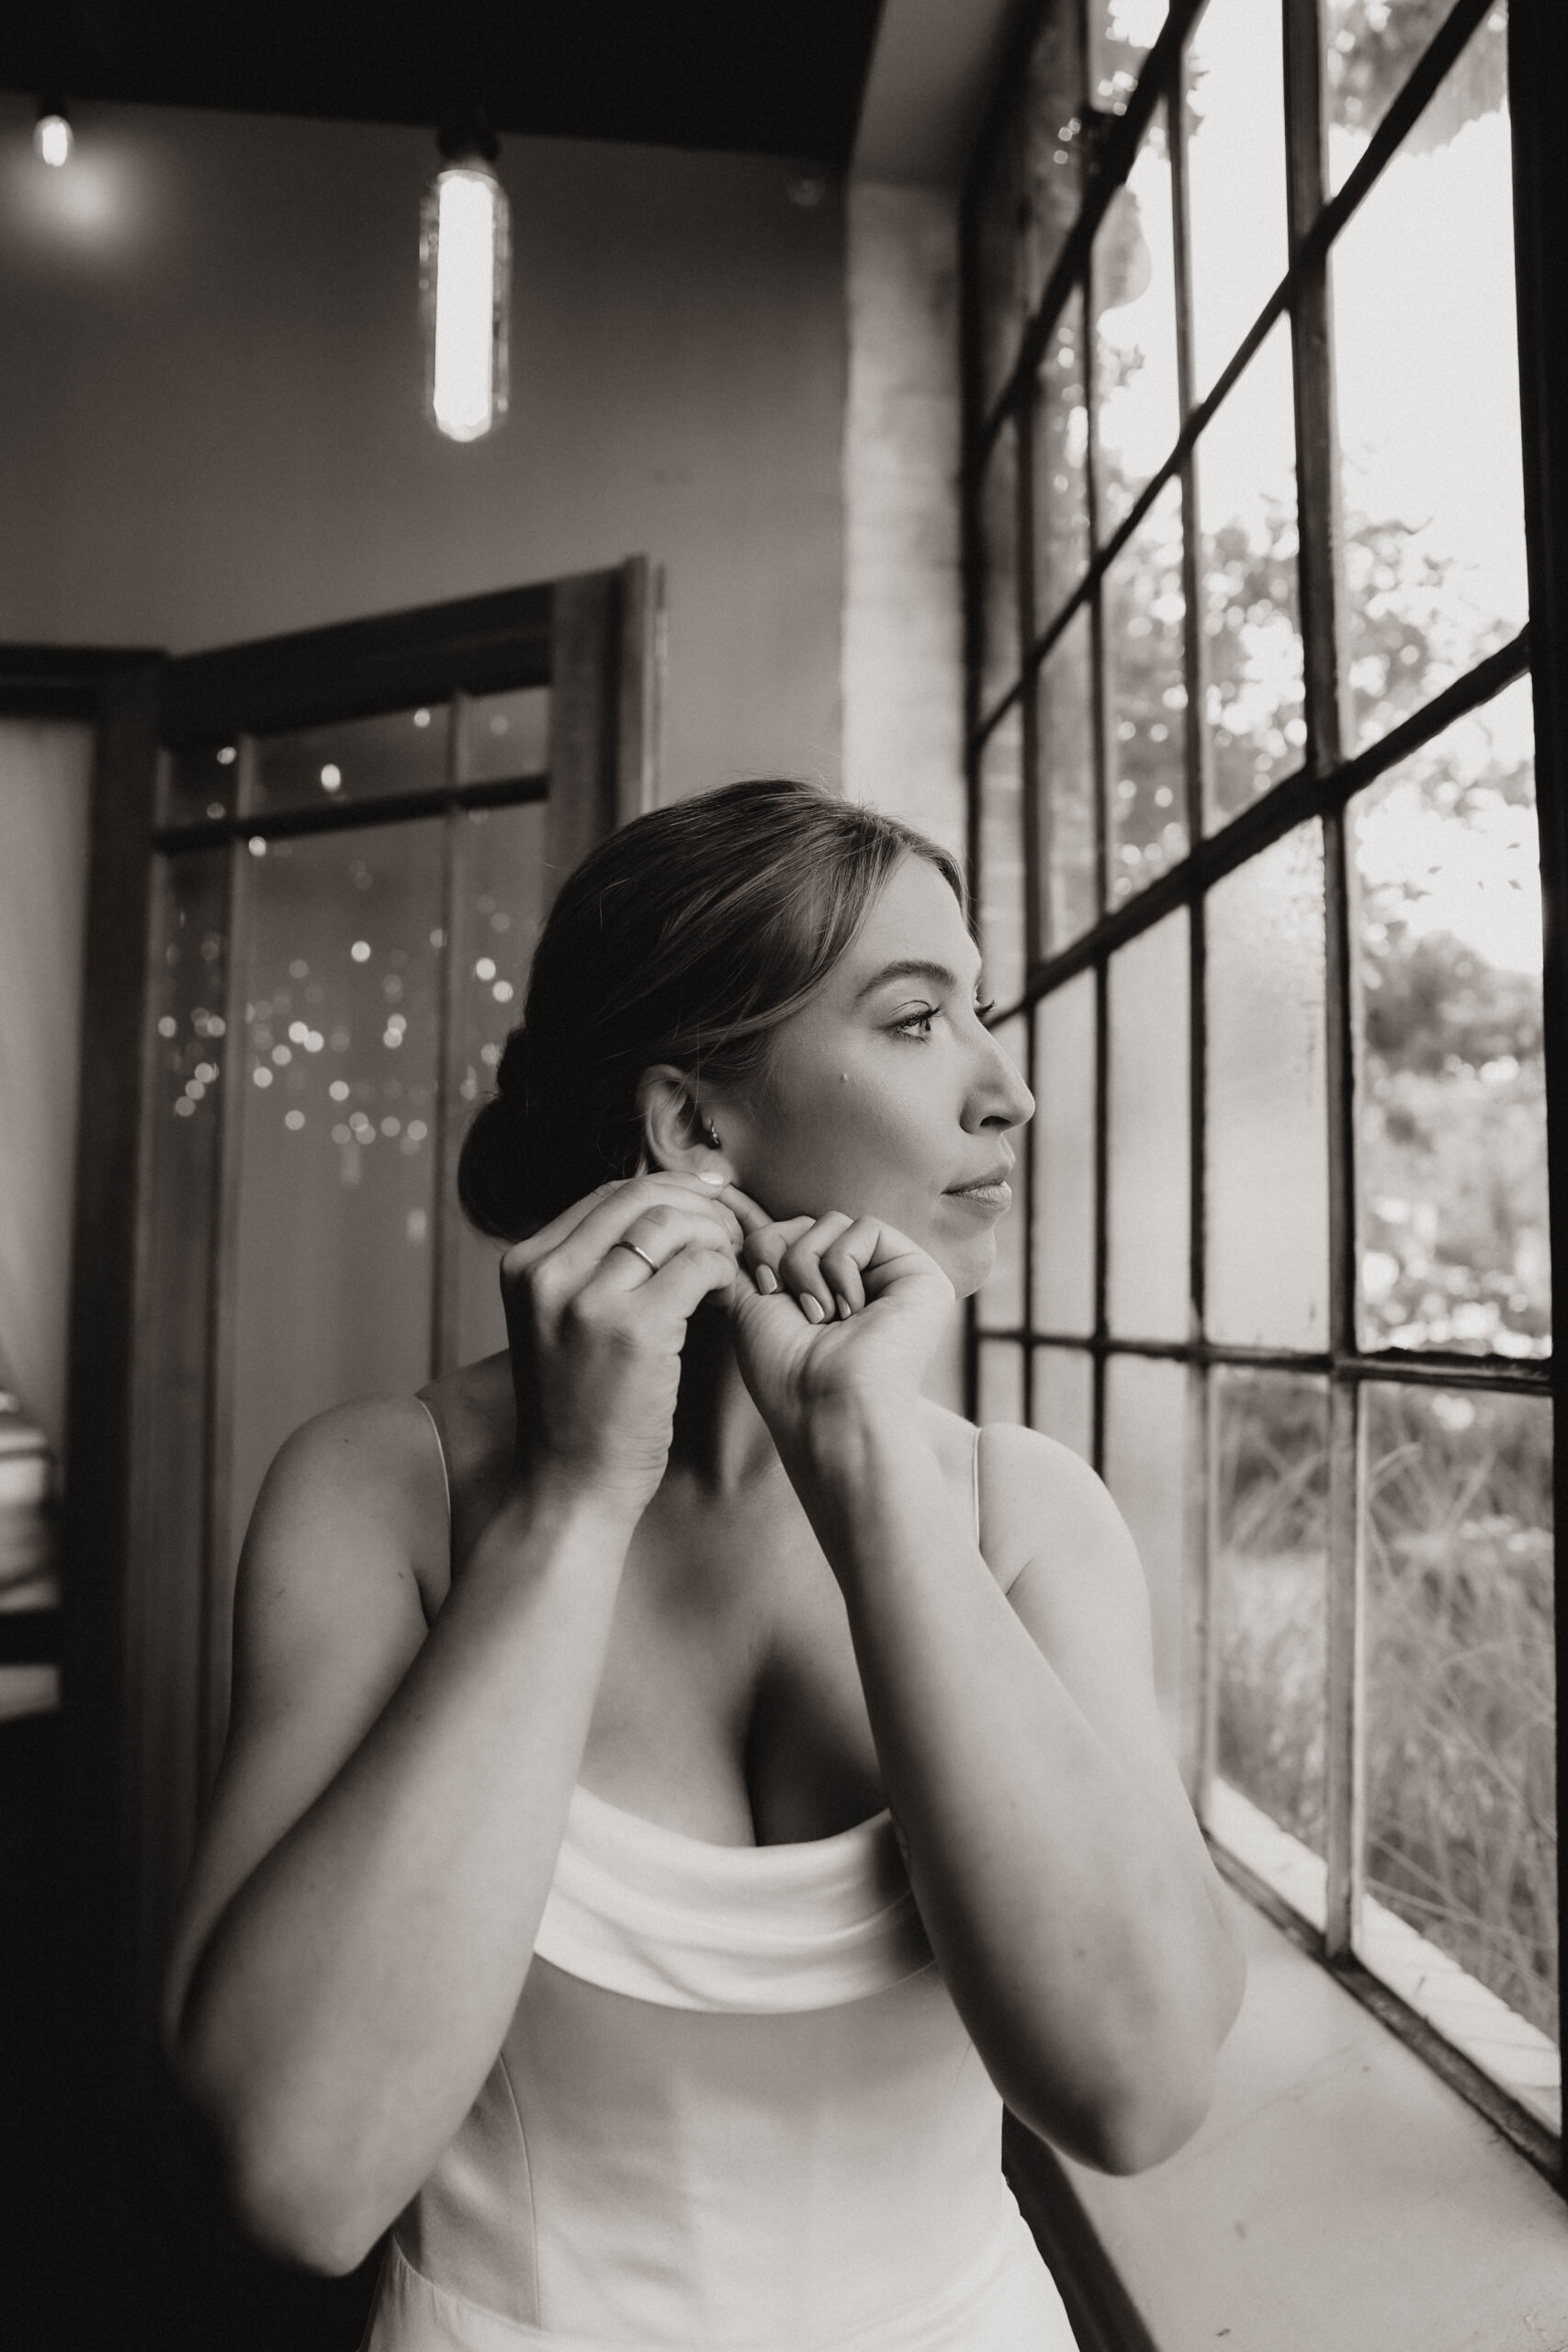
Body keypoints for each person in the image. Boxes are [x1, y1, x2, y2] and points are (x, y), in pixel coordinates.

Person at [163, 778, 1246, 2351]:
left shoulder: (1031, 1516)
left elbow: (1137, 2094)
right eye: (914, 1019)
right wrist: (571, 1508)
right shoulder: (382, 1496)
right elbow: (296, 2176)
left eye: (982, 1014)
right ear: (692, 1124)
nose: (1007, 1090)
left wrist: (873, 1466)